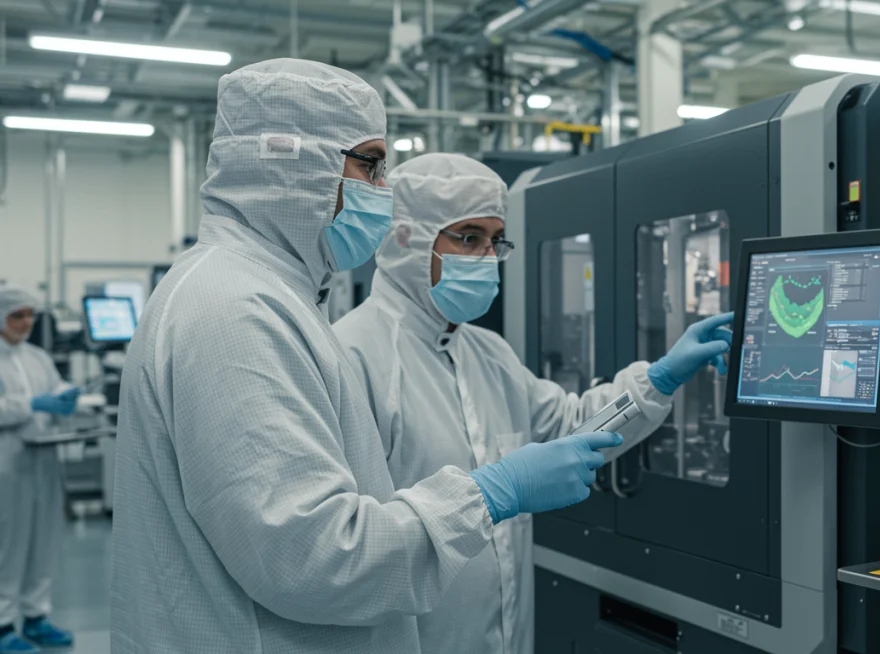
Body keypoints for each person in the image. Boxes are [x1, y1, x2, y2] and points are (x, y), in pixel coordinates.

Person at [110, 59, 619, 654]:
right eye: (371, 165)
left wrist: (653, 385)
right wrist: (492, 492)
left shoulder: (271, 297)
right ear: (292, 159)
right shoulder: (235, 310)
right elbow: (313, 556)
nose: (383, 192)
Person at [333, 153, 734, 654]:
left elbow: (571, 427)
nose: (484, 256)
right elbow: (347, 544)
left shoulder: (487, 353)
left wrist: (658, 379)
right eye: (467, 237)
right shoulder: (352, 356)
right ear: (404, 240)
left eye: (494, 241)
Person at [0, 284, 79, 654]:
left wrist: (66, 395)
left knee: (42, 541)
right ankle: (2, 625)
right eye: (18, 315)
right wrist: (30, 403)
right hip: (7, 465)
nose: (26, 322)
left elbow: (55, 384)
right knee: (8, 545)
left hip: (43, 460)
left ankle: (35, 617)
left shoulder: (37, 356)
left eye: (30, 314)